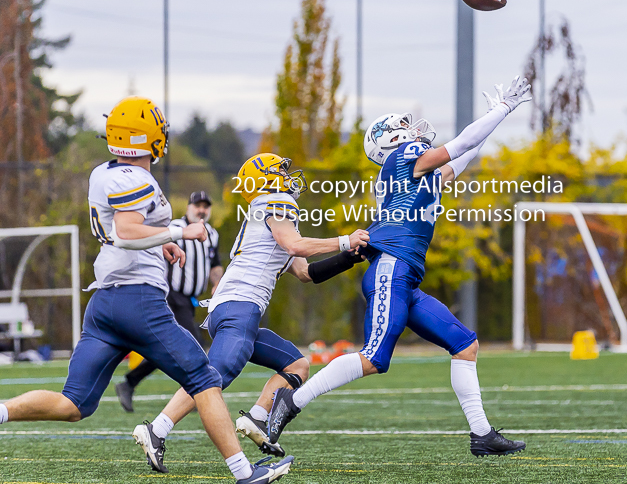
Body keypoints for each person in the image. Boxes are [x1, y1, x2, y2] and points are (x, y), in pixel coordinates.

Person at [0, 97, 292, 484]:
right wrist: (178, 232)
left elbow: (128, 231)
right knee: (204, 379)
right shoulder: (135, 178)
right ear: (146, 136)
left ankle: (1, 411)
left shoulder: (104, 172)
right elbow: (126, 230)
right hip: (137, 300)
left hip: (104, 301)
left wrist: (161, 243)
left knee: (74, 403)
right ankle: (244, 472)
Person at [266, 77, 532, 457]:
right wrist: (500, 110)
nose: (413, 131)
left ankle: (481, 434)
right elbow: (462, 143)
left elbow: (462, 156)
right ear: (390, 140)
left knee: (464, 344)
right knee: (374, 358)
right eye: (404, 128)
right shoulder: (401, 160)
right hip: (392, 268)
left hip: (405, 277)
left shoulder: (412, 174)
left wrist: (494, 120)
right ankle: (291, 402)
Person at [131, 152, 369, 473]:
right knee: (210, 380)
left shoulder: (268, 212)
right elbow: (295, 245)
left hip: (234, 311)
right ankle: (157, 429)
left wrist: (349, 257)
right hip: (239, 308)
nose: (287, 177)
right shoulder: (275, 204)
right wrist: (344, 240)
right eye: (280, 172)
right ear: (266, 179)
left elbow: (305, 272)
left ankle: (257, 418)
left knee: (296, 364)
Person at [116, 190, 223, 413]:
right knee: (193, 345)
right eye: (197, 205)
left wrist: (217, 283)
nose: (201, 210)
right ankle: (197, 392)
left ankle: (129, 382)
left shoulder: (212, 234)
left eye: (206, 206)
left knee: (165, 348)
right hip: (171, 296)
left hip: (190, 300)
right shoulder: (175, 227)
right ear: (188, 207)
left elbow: (215, 263)